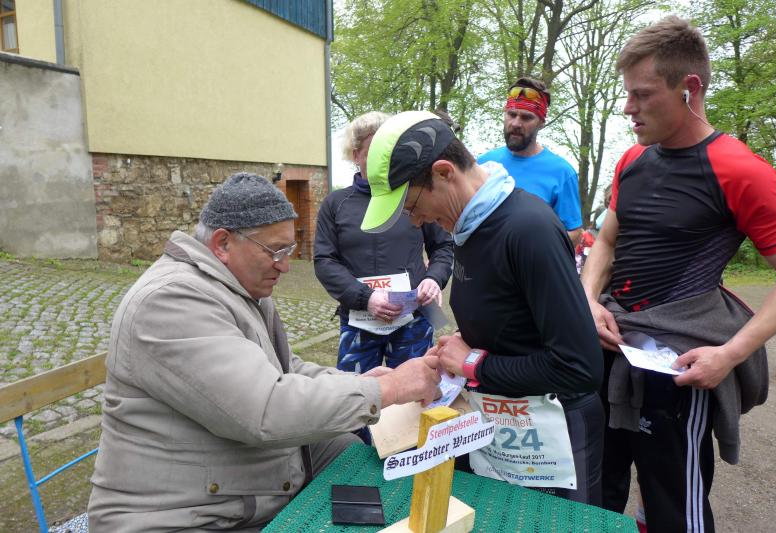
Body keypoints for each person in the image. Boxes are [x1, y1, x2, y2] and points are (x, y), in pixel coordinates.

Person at [88, 172, 442, 532]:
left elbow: (284, 368)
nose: (286, 266)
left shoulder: (237, 287)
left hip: (233, 482)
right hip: (184, 515)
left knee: (352, 452)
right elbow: (266, 411)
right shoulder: (170, 301)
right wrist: (389, 389)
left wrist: (360, 382)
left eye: (289, 251)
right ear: (223, 243)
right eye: (276, 251)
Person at [580, 16, 776, 533]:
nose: (628, 108)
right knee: (596, 495)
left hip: (679, 366)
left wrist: (730, 354)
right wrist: (588, 300)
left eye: (642, 94)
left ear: (689, 88)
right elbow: (607, 242)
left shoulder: (741, 170)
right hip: (609, 352)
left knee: (675, 509)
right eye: (627, 93)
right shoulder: (632, 160)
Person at [360, 111, 604, 505]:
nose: (416, 221)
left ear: (444, 172)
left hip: (556, 440)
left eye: (411, 206)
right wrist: (459, 348)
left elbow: (580, 368)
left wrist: (472, 362)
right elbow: (512, 316)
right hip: (506, 428)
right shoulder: (468, 226)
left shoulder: (529, 229)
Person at [314, 111, 453, 375]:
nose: (382, 158)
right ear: (356, 155)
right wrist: (366, 298)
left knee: (416, 389)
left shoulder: (415, 194)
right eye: (372, 151)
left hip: (412, 318)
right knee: (356, 394)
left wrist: (434, 278)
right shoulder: (336, 204)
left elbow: (444, 247)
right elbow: (324, 260)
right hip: (359, 320)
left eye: (387, 151)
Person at [478, 77, 583, 246]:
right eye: (511, 114)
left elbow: (574, 233)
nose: (516, 123)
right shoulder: (484, 164)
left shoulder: (562, 172)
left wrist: (531, 253)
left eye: (526, 118)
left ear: (541, 123)